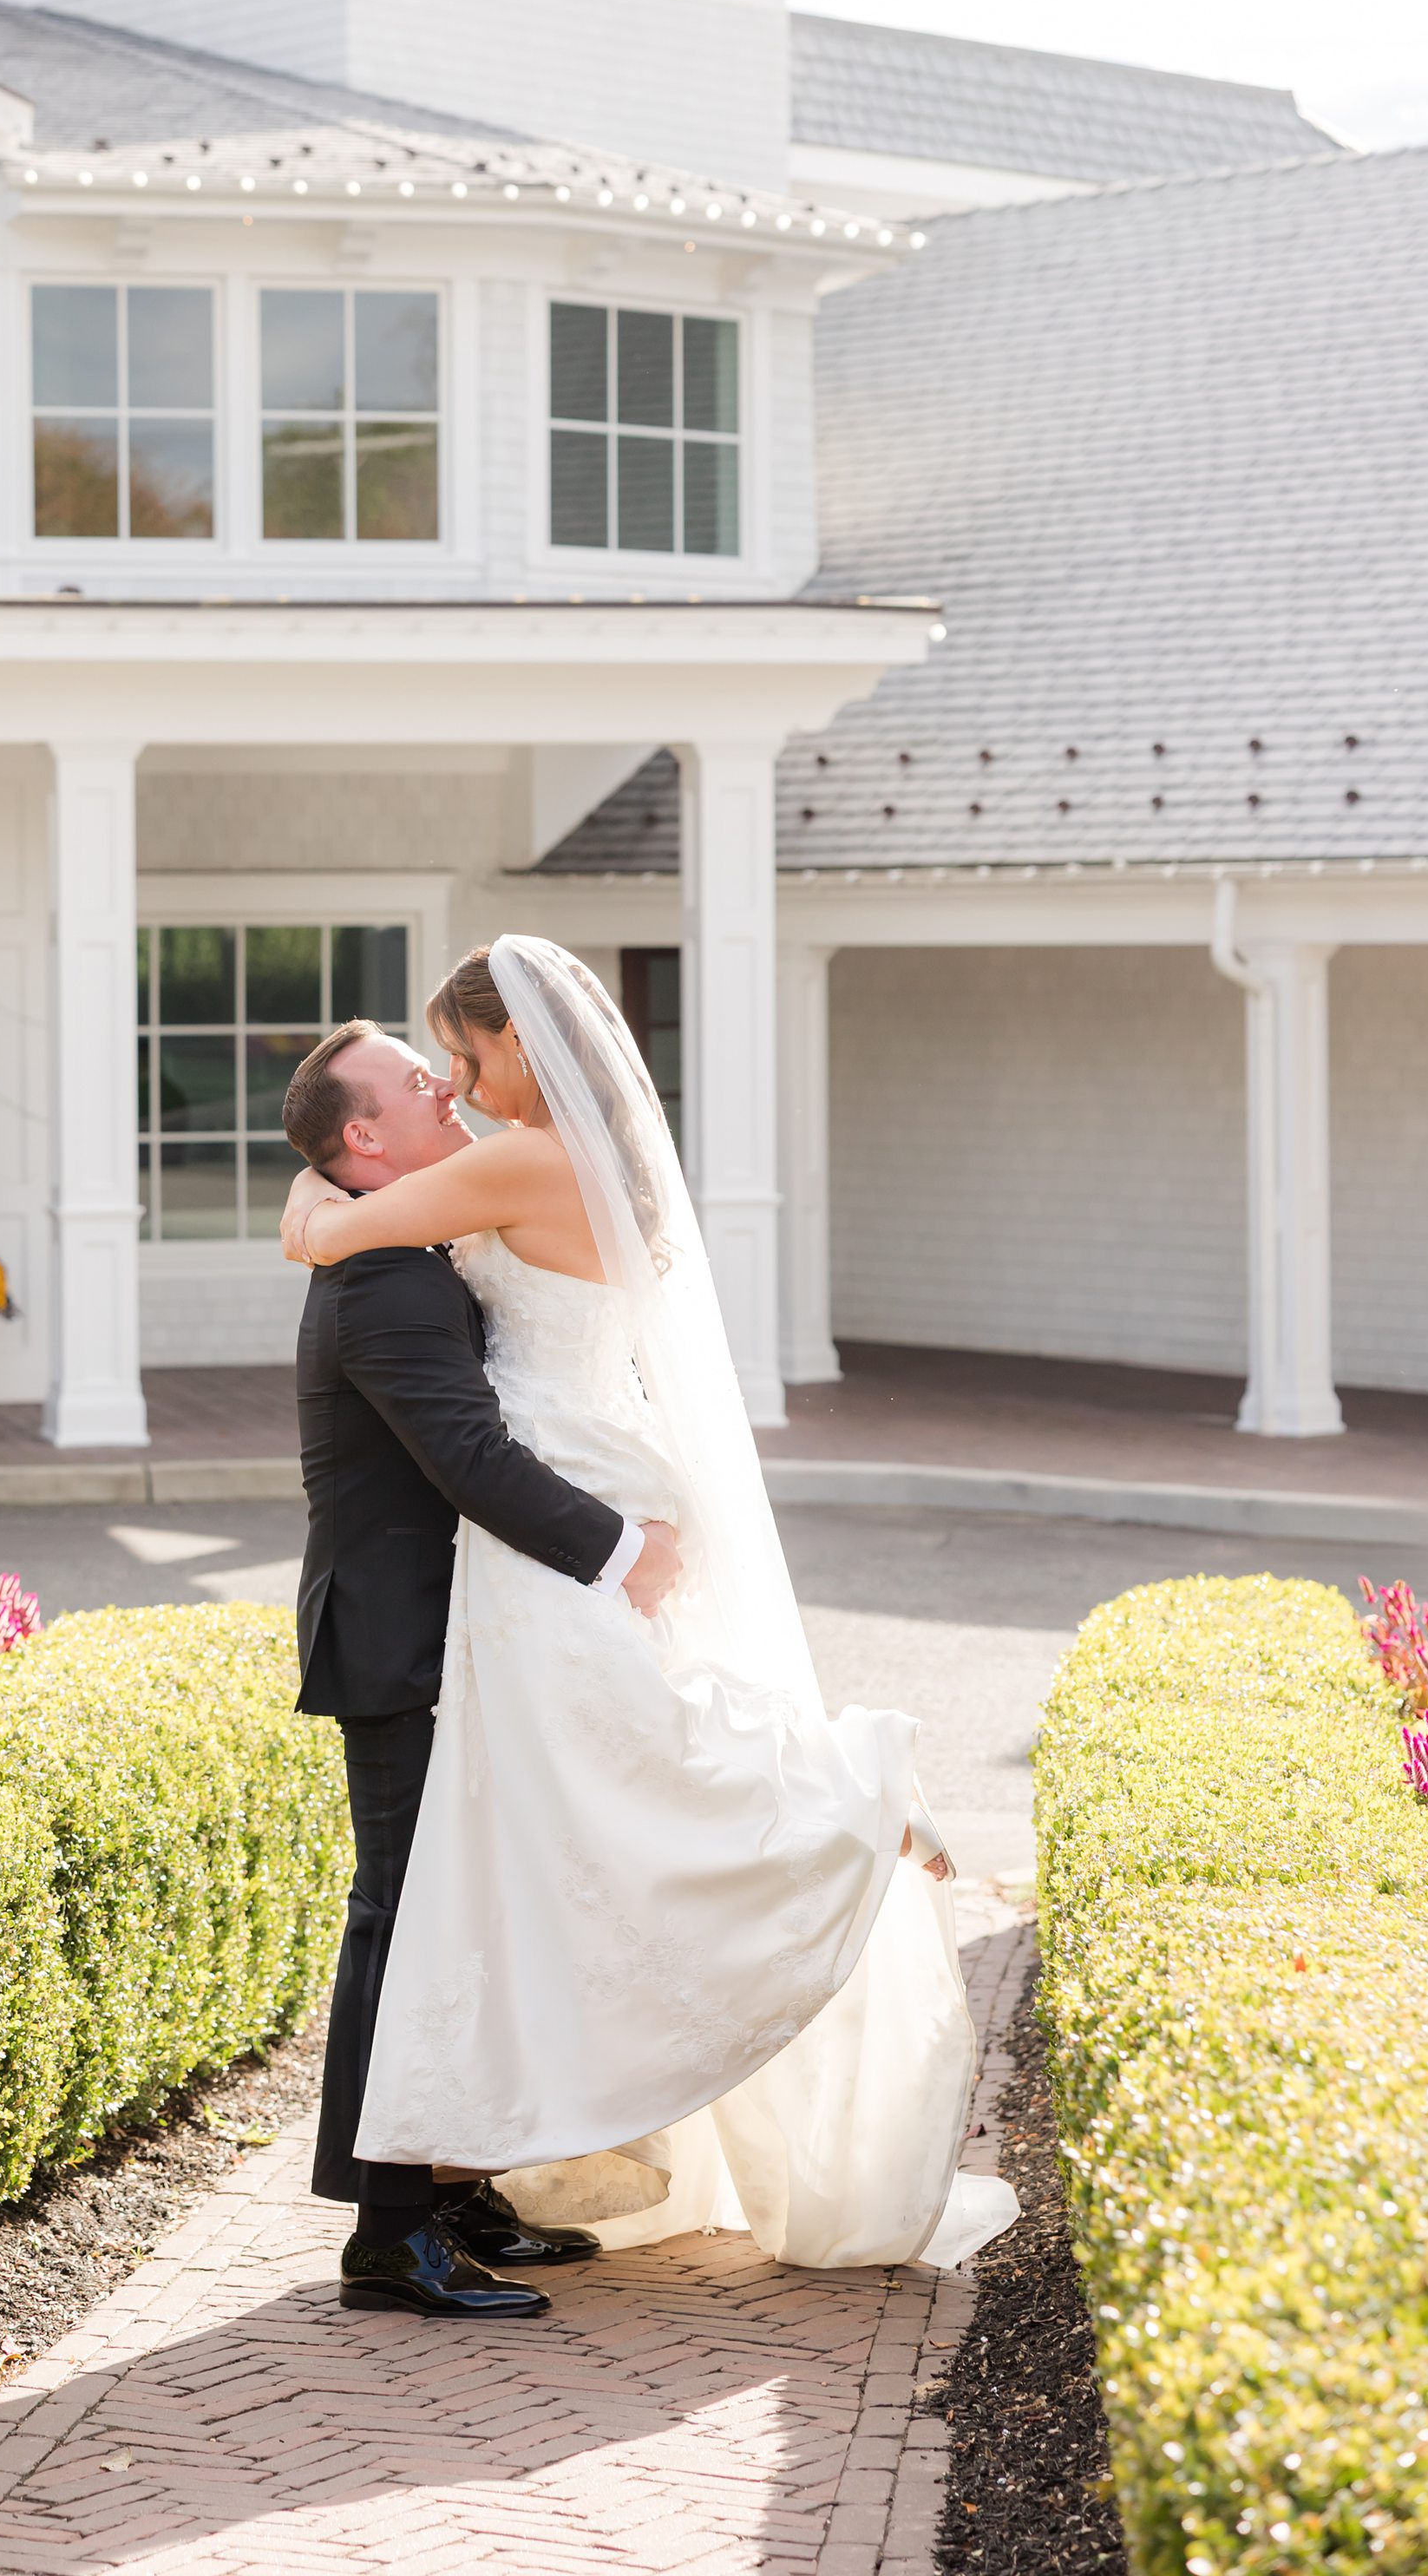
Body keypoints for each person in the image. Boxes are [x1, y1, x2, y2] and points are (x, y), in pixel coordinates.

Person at [279, 936, 1019, 2274]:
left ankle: (843, 1797)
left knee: (601, 1792)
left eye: (466, 1053)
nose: (454, 1081)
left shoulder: (501, 1165)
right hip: (579, 1487)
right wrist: (332, 1182)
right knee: (591, 1791)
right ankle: (432, 2190)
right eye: (431, 1067)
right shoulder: (556, 1160)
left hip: (568, 1508)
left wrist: (318, 1202)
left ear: (527, 1048)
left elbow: (333, 1222)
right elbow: (358, 1215)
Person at [280, 1017, 685, 2318]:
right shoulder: (386, 1274)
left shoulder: (398, 1226)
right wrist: (617, 1547)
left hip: (451, 1628)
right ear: (363, 1136)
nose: (442, 1087)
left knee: (458, 1907)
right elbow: (469, 1458)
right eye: (414, 1081)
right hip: (398, 1637)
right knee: (401, 1916)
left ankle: (449, 2188)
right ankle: (390, 2233)